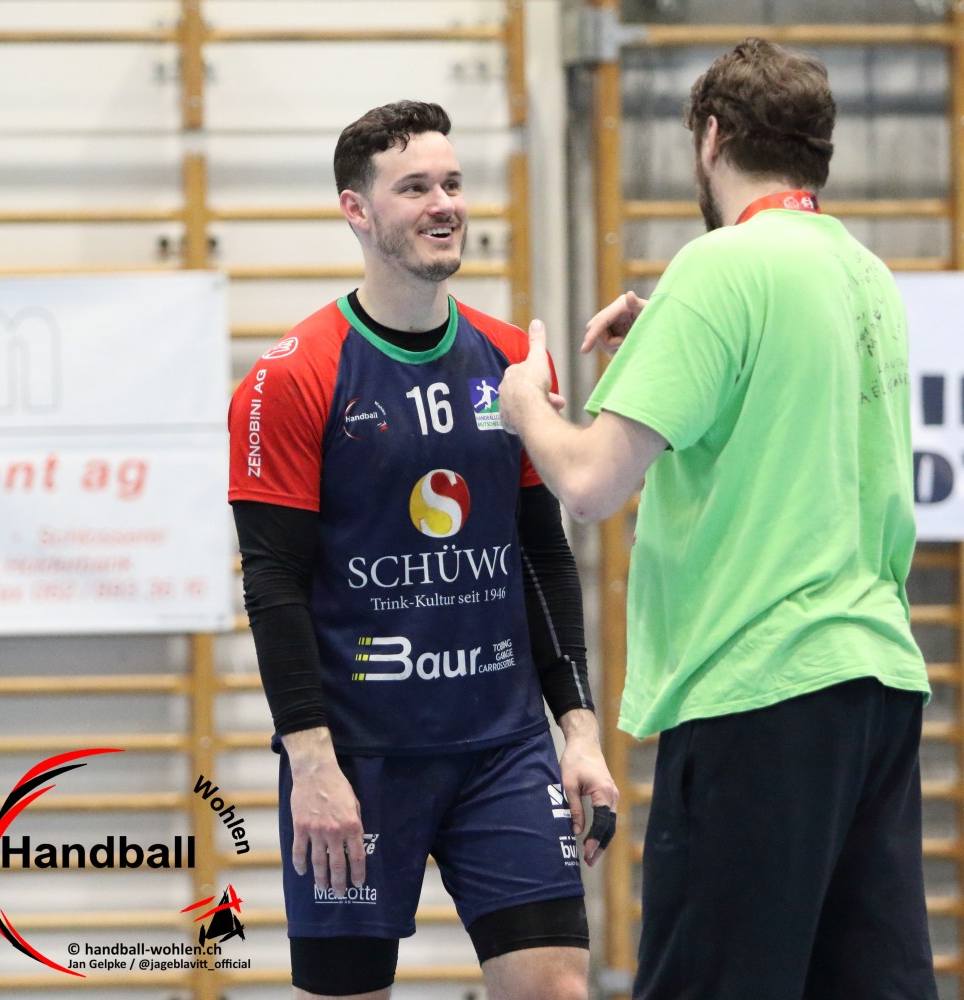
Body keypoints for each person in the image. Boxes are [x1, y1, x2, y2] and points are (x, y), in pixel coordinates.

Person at [498, 38, 937, 1000]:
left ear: (709, 137)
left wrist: (525, 403)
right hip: (875, 686)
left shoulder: (720, 267)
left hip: (760, 688)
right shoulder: (865, 274)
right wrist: (671, 342)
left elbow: (589, 485)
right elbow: (767, 408)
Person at [227, 100, 619, 1000]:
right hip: (357, 759)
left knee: (557, 989)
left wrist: (579, 730)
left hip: (503, 749)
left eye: (451, 183)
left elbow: (541, 556)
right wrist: (311, 764)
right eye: (413, 188)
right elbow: (274, 585)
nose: (443, 204)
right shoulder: (292, 377)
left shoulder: (511, 362)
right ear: (356, 211)